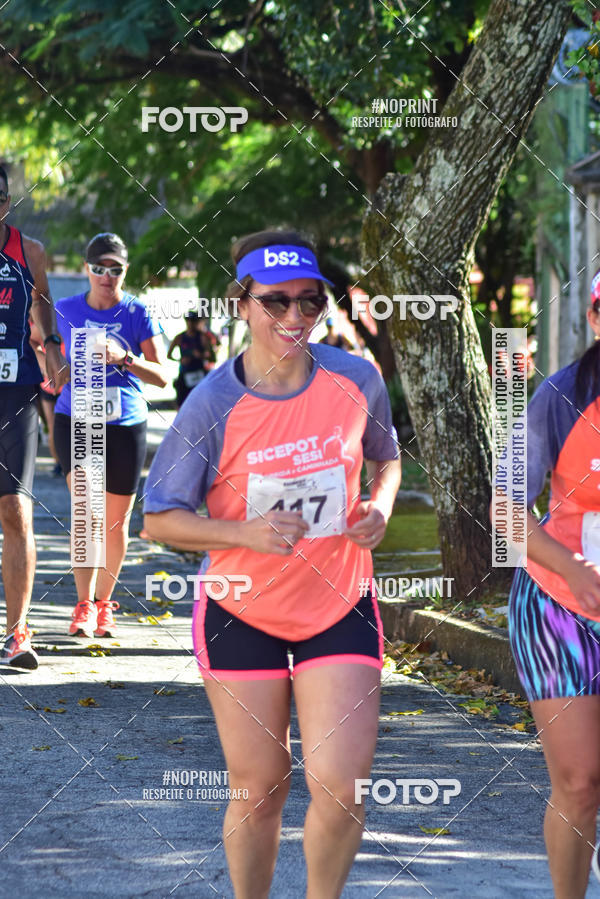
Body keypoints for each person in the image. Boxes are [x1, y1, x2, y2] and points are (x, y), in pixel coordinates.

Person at [143, 229, 401, 899]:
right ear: (242, 303)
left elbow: (388, 457)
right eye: (276, 302)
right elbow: (158, 517)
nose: (294, 318)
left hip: (338, 603)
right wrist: (246, 535)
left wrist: (379, 505)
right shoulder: (212, 405)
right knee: (260, 790)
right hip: (241, 607)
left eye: (310, 303)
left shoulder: (355, 377)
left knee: (340, 788)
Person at [492, 270, 600, 899]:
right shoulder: (559, 398)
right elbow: (504, 509)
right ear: (593, 321)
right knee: (582, 780)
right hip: (559, 609)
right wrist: (571, 566)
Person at [53, 232, 167, 639]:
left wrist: (126, 358)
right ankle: (83, 604)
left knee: (116, 524)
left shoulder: (137, 313)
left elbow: (163, 375)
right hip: (77, 418)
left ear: (124, 271)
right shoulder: (65, 310)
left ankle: (103, 605)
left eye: (114, 269)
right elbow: (42, 346)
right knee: (87, 514)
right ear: (87, 269)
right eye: (98, 268)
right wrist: (53, 370)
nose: (106, 275)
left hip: (124, 424)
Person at [0, 163, 70, 669]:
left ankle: (18, 633)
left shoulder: (29, 251)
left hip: (14, 389)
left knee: (15, 510)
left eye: (1, 198)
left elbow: (42, 299)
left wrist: (50, 343)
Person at [29, 315, 64, 475]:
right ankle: (59, 463)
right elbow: (29, 340)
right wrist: (44, 362)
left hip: (64, 385)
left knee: (58, 426)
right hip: (49, 384)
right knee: (53, 426)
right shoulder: (45, 324)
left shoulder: (58, 323)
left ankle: (61, 464)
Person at [168, 310, 218, 408]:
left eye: (193, 321)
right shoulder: (179, 338)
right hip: (184, 375)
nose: (190, 323)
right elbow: (169, 355)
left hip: (200, 374)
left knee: (202, 404)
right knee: (182, 404)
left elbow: (213, 358)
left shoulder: (203, 337)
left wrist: (201, 355)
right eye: (188, 320)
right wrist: (180, 360)